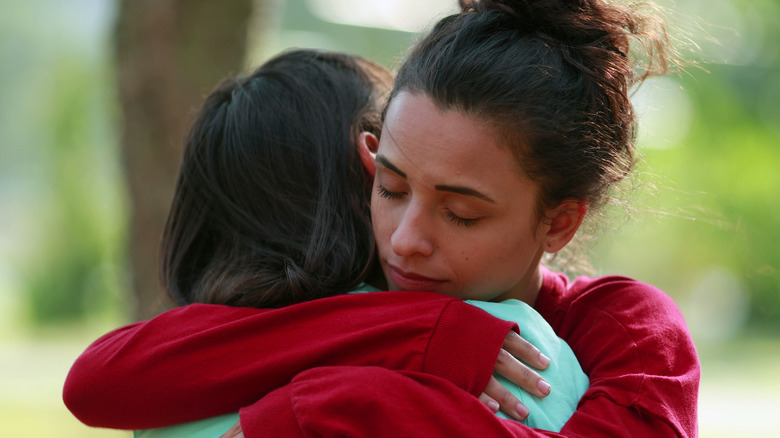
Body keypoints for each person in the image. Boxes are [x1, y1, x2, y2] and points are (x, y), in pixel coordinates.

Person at [67, 0, 702, 434]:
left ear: (559, 223)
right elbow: (99, 379)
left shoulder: (630, 329)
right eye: (391, 189)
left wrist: (337, 405)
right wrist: (418, 333)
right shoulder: (346, 301)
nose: (405, 241)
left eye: (459, 214)